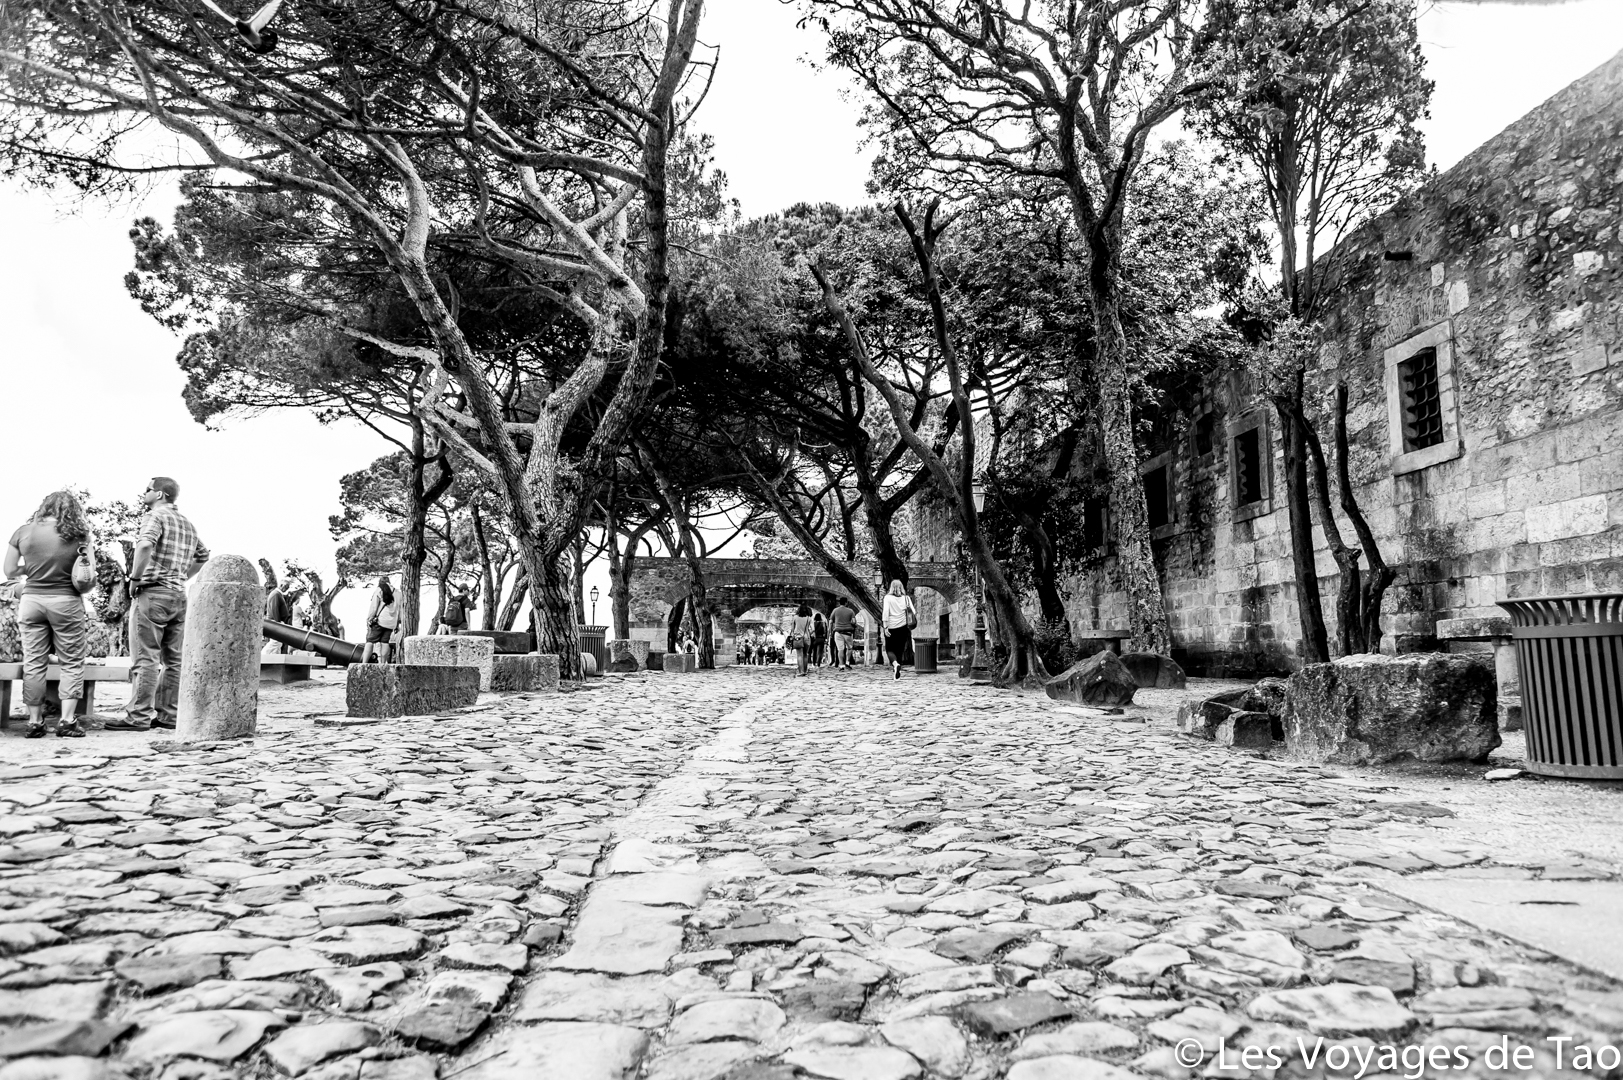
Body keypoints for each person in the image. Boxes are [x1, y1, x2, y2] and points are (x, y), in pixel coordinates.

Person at [105, 477, 210, 732]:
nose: (144, 493)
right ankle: (169, 715)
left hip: (153, 593)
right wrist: (181, 576)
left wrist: (135, 578)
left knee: (146, 657)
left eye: (148, 489)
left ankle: (138, 717)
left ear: (160, 494)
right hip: (178, 597)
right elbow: (203, 556)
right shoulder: (187, 523)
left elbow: (144, 544)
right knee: (174, 660)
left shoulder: (155, 516)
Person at [3, 492, 96, 738]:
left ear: (44, 507)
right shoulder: (80, 535)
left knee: (34, 662)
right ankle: (67, 721)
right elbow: (89, 577)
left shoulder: (23, 532)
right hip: (66, 602)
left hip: (31, 601)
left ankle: (35, 722)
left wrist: (32, 566)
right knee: (71, 662)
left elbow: (9, 570)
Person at [881, 579, 917, 681]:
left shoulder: (888, 598)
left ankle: (895, 664)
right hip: (903, 627)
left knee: (889, 649)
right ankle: (898, 671)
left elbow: (886, 612)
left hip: (891, 627)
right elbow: (913, 612)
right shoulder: (906, 598)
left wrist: (885, 626)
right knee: (900, 650)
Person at [362, 576, 400, 663]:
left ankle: (364, 663)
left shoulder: (379, 590)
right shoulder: (398, 593)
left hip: (380, 621)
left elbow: (374, 606)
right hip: (391, 623)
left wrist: (369, 618)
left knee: (370, 641)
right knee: (385, 642)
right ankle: (382, 664)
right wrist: (397, 624)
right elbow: (399, 610)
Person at [829, 597, 857, 671]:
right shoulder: (851, 611)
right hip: (848, 632)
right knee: (849, 648)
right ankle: (847, 662)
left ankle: (841, 666)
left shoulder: (835, 610)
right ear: (846, 602)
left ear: (840, 602)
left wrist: (830, 632)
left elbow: (831, 622)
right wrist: (854, 625)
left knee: (840, 649)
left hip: (838, 632)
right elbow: (853, 622)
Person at [787, 604, 815, 677]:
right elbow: (813, 629)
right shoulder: (809, 618)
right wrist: (808, 633)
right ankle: (805, 671)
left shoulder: (795, 617)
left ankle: (801, 671)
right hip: (807, 638)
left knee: (799, 655)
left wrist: (794, 634)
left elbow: (792, 629)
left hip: (798, 637)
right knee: (805, 654)